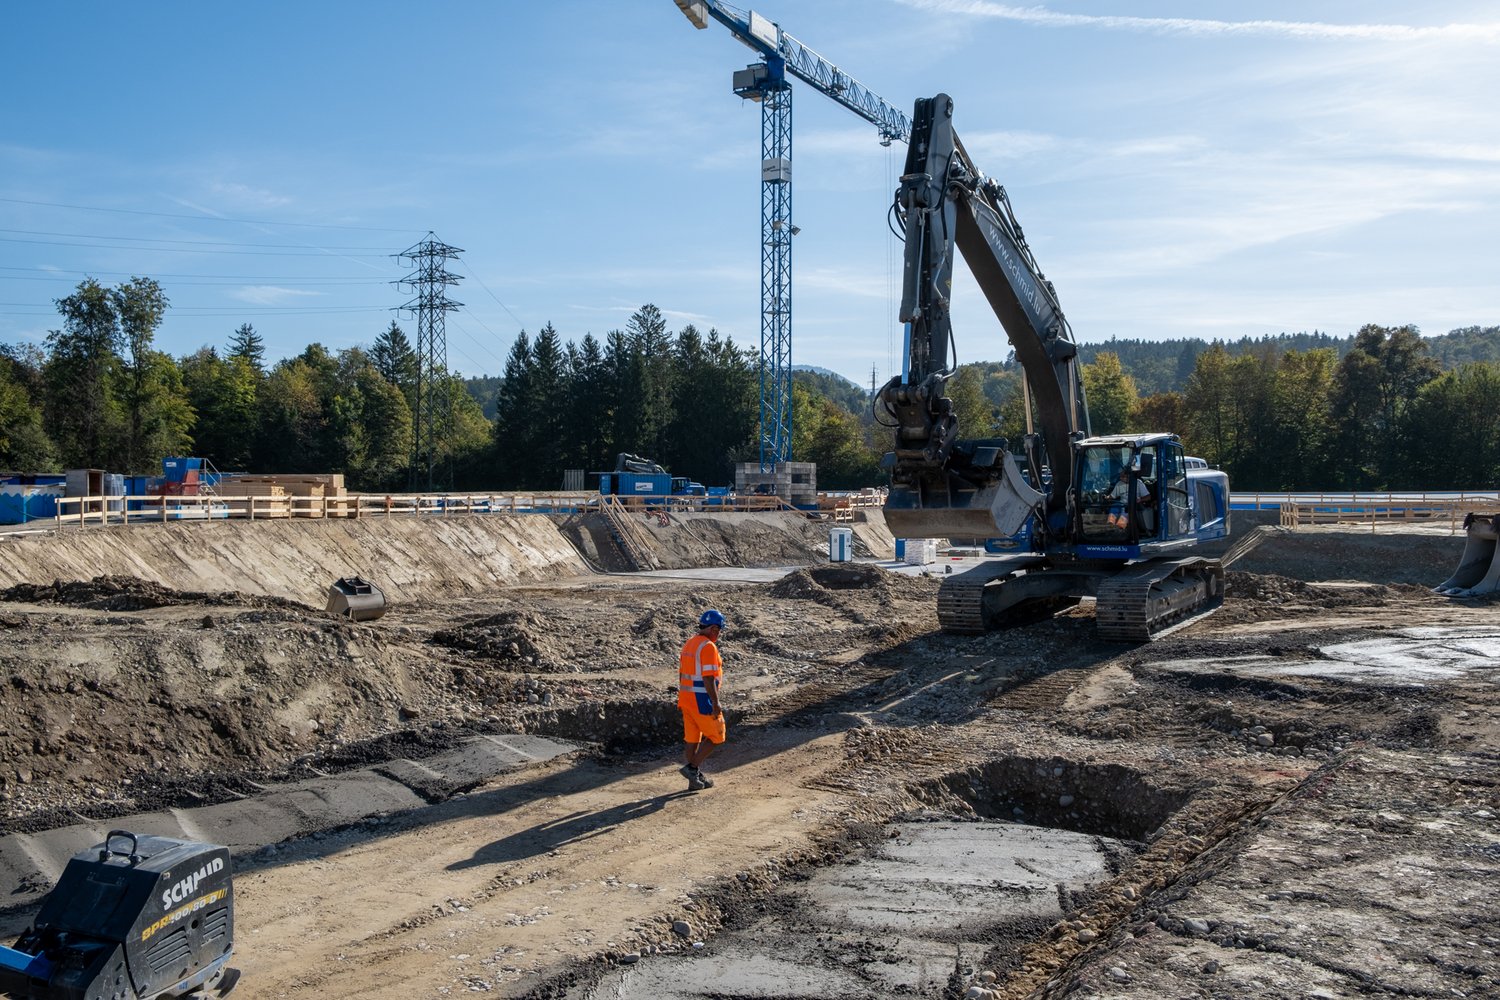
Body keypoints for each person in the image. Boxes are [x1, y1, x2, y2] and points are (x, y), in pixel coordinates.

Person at [678, 609, 726, 791]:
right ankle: (691, 769)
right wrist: (715, 702)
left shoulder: (690, 643)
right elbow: (708, 678)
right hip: (701, 699)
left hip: (686, 698)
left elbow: (683, 673)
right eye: (719, 630)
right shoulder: (708, 647)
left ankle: (695, 779)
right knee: (716, 736)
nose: (719, 634)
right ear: (713, 628)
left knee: (692, 739)